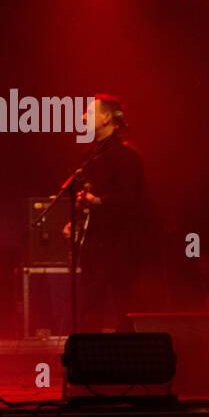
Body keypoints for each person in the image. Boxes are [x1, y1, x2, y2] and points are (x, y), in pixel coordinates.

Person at [73, 94, 144, 331]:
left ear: (106, 118)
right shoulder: (90, 156)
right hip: (94, 243)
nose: (84, 116)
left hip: (118, 245)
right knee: (89, 306)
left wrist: (100, 201)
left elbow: (132, 199)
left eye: (91, 112)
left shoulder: (127, 156)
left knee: (116, 307)